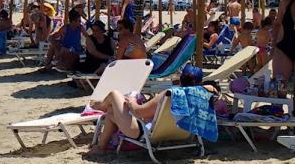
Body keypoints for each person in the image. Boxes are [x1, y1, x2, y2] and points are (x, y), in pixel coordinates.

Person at [88, 65, 218, 152]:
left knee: (114, 94)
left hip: (142, 132)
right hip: (182, 132)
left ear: (180, 78)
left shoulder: (171, 94)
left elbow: (139, 112)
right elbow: (211, 88)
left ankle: (99, 106)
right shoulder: (202, 95)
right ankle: (100, 147)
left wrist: (132, 102)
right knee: (112, 113)